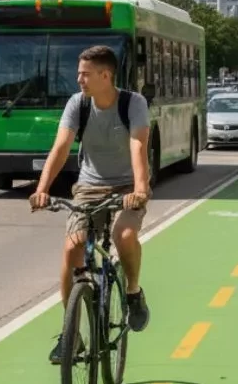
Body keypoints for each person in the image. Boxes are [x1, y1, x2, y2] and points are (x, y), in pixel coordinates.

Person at [30, 46, 152, 365]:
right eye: (79, 73)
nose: (79, 79)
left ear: (105, 75)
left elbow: (138, 145)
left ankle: (133, 292)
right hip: (88, 186)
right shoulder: (78, 103)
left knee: (124, 235)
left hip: (127, 186)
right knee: (72, 249)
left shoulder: (132, 104)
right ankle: (72, 335)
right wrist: (42, 189)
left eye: (85, 74)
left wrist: (140, 188)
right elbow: (60, 147)